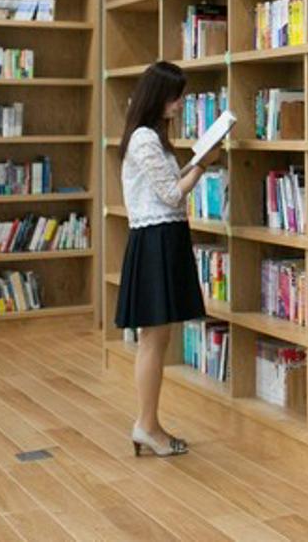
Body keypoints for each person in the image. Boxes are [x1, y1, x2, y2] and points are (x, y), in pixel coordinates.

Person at [115, 61, 218, 456]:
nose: (179, 104)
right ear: (157, 97)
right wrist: (203, 164)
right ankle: (146, 425)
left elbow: (169, 184)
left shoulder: (152, 137)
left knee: (157, 339)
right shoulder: (144, 139)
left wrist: (197, 160)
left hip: (163, 236)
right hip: (155, 239)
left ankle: (149, 424)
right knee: (153, 341)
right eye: (175, 97)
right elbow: (173, 194)